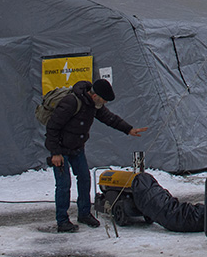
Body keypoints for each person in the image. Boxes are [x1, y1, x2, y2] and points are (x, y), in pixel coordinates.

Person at [45, 79, 148, 232]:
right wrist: (55, 153)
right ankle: (62, 220)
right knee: (63, 185)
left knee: (85, 179)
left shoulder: (94, 105)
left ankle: (84, 213)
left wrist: (129, 129)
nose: (104, 103)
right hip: (60, 150)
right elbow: (52, 128)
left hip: (77, 148)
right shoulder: (71, 103)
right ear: (94, 96)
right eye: (104, 100)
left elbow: (110, 119)